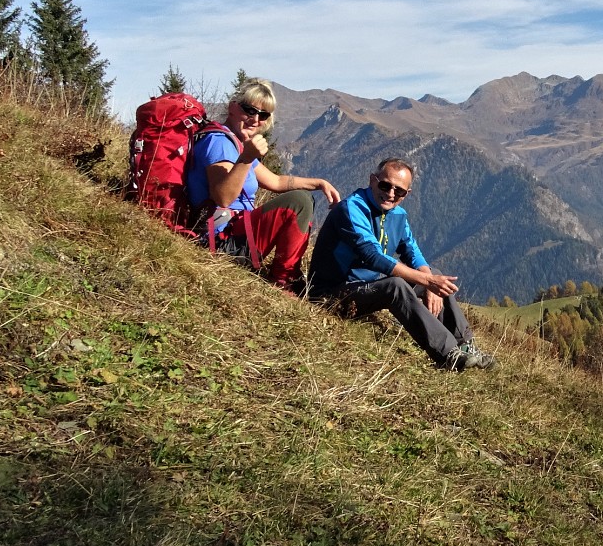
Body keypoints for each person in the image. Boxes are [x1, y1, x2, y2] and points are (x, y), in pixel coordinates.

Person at [309, 157, 496, 370]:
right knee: (397, 286)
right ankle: (448, 355)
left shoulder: (397, 214)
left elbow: (412, 251)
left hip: (365, 288)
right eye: (385, 185)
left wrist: (430, 280)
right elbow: (372, 255)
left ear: (407, 194)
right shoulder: (351, 209)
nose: (390, 194)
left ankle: (466, 345)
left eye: (399, 191)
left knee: (436, 275)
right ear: (372, 180)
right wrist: (427, 281)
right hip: (329, 294)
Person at [185, 77, 340, 291]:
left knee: (303, 197)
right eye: (249, 110)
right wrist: (246, 158)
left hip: (236, 235)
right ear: (232, 107)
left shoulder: (237, 143)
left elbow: (276, 181)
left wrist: (319, 183)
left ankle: (286, 275)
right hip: (221, 242)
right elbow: (222, 197)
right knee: (300, 201)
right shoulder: (219, 142)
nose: (255, 119)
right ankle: (284, 280)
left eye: (263, 115)